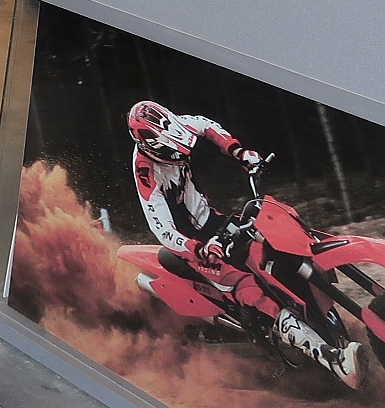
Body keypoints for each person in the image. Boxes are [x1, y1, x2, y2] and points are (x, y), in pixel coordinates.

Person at [127, 100, 358, 382]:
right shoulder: (146, 173)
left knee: (271, 245)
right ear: (149, 146)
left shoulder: (175, 125)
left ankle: (311, 317)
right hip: (191, 244)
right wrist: (199, 248)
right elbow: (162, 230)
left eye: (182, 146)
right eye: (171, 151)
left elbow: (207, 126)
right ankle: (331, 359)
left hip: (213, 220)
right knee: (247, 287)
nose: (180, 154)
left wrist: (239, 151)